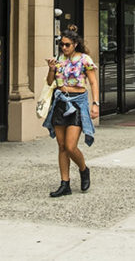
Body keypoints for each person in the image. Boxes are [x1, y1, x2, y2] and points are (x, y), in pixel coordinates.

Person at [42, 28, 99, 197]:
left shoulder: (84, 60)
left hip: (77, 103)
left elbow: (93, 83)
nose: (64, 48)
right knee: (61, 146)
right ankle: (64, 183)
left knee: (70, 146)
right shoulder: (59, 59)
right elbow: (50, 81)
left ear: (75, 44)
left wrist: (95, 103)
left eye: (67, 45)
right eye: (61, 45)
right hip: (60, 102)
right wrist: (51, 68)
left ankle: (83, 169)